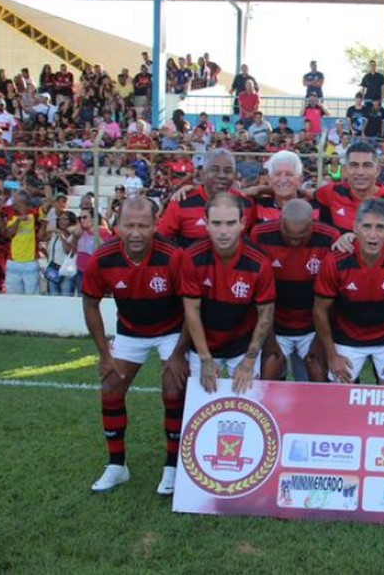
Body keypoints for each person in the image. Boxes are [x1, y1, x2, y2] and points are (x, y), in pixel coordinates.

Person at [81, 198, 189, 495]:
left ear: (156, 226)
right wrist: (104, 355)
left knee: (173, 388)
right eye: (129, 225)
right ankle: (117, 465)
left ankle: (172, 466)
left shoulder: (173, 256)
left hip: (172, 331)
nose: (136, 232)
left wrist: (179, 354)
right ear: (116, 227)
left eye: (143, 225)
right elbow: (90, 304)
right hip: (130, 332)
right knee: (111, 388)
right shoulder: (102, 258)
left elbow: (192, 308)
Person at [313, 198, 384, 384]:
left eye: (380, 227)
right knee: (341, 395)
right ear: (355, 228)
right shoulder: (336, 261)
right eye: (366, 226)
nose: (373, 234)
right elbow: (320, 310)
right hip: (348, 338)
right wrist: (332, 355)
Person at [179, 192, 276, 396]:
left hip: (242, 346)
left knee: (247, 407)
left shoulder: (259, 262)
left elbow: (265, 313)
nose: (223, 231)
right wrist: (206, 359)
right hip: (205, 345)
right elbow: (192, 311)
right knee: (202, 404)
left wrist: (249, 359)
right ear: (206, 223)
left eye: (230, 223)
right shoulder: (191, 258)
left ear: (242, 223)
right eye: (216, 223)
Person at [251, 198, 339, 381]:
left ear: (312, 225)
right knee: (268, 380)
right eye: (288, 234)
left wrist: (319, 340)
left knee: (316, 382)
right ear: (280, 222)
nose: (294, 242)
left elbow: (333, 294)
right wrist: (269, 338)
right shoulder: (261, 235)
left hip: (312, 327)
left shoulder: (330, 237)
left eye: (301, 236)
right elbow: (257, 291)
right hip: (275, 325)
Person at [314, 142, 384, 239]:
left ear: (377, 170)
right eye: (354, 165)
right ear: (345, 171)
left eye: (367, 165)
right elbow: (311, 194)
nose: (360, 172)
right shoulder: (331, 192)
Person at [157, 148, 257, 247]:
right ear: (203, 173)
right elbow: (160, 241)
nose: (221, 175)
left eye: (228, 171)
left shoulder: (247, 204)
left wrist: (261, 189)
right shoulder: (181, 202)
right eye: (214, 169)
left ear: (234, 175)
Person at [4, 191, 41, 294]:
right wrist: (18, 221)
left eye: (17, 202)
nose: (14, 205)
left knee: (33, 296)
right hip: (13, 261)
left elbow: (48, 205)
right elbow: (9, 234)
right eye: (14, 202)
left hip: (30, 262)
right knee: (13, 297)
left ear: (25, 203)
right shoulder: (11, 215)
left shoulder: (35, 214)